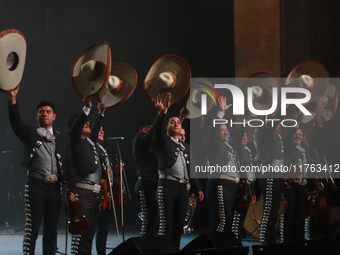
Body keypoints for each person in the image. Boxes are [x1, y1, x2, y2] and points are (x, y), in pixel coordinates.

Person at [8, 86, 75, 255]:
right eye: (41, 111)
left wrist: (71, 189)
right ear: (37, 116)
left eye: (48, 111)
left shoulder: (62, 139)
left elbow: (68, 165)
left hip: (55, 187)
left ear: (54, 116)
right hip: (35, 185)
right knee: (32, 227)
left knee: (51, 230)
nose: (45, 114)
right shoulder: (30, 132)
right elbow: (15, 123)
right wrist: (13, 99)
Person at [153, 93, 204, 249]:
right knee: (165, 224)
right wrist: (163, 112)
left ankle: (174, 250)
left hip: (183, 188)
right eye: (172, 122)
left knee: (178, 225)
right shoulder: (162, 140)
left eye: (178, 122)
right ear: (166, 127)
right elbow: (157, 131)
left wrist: (198, 188)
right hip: (167, 185)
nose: (176, 124)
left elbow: (190, 169)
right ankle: (161, 252)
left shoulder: (182, 145)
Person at [69, 96, 105, 255]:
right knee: (81, 232)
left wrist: (101, 113)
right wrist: (87, 109)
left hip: (94, 193)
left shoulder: (90, 143)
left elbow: (96, 127)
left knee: (89, 233)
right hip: (82, 192)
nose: (88, 124)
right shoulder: (75, 139)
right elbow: (77, 126)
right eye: (84, 123)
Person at [203, 96, 241, 234]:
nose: (225, 132)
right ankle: (217, 247)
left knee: (231, 221)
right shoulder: (212, 142)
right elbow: (213, 131)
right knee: (223, 220)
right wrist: (221, 113)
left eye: (226, 130)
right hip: (221, 183)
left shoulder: (230, 147)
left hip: (233, 184)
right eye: (221, 130)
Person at [281, 126, 317, 242]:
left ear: (303, 137)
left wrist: (313, 187)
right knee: (289, 215)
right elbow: (286, 139)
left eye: (300, 134)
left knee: (299, 215)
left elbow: (311, 169)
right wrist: (296, 125)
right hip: (291, 185)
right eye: (295, 134)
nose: (298, 136)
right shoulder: (288, 148)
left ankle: (297, 242)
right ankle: (287, 242)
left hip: (303, 186)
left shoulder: (306, 150)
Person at [257, 111, 285, 244]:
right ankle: (264, 242)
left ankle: (271, 242)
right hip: (269, 175)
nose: (278, 123)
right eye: (274, 120)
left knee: (274, 212)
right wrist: (282, 109)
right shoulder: (264, 132)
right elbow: (272, 122)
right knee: (268, 211)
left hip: (278, 176)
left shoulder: (277, 137)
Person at [132, 118, 159, 237]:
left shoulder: (152, 145)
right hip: (145, 183)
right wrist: (160, 115)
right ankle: (144, 248)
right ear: (144, 130)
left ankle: (152, 247)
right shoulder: (139, 139)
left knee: (155, 221)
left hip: (154, 183)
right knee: (147, 221)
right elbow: (150, 135)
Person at [95, 126, 118, 255]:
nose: (102, 132)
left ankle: (101, 252)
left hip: (106, 193)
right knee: (94, 227)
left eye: (103, 129)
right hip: (96, 192)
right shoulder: (91, 147)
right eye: (99, 129)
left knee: (103, 228)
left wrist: (114, 172)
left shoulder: (103, 149)